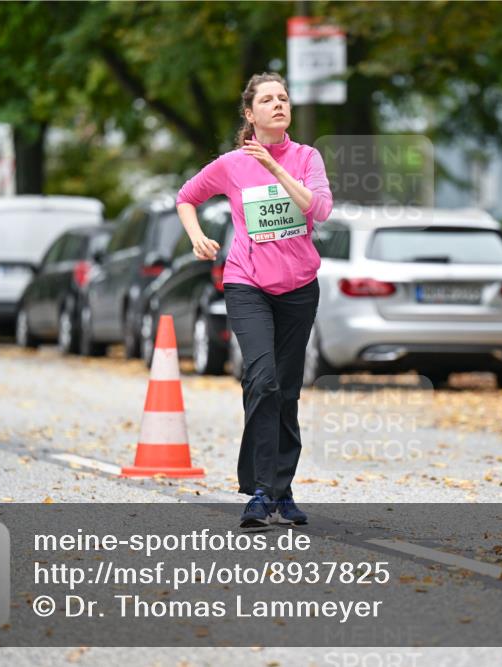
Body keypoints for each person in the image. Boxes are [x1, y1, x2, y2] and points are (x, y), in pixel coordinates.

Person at [175, 72, 333, 528]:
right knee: (262, 380)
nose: (278, 104)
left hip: (299, 288)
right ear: (250, 113)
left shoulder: (306, 158)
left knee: (287, 389)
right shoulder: (231, 164)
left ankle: (282, 490)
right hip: (248, 284)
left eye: (283, 98)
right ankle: (262, 491)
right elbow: (186, 197)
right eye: (267, 100)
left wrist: (277, 169)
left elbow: (320, 209)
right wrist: (197, 237)